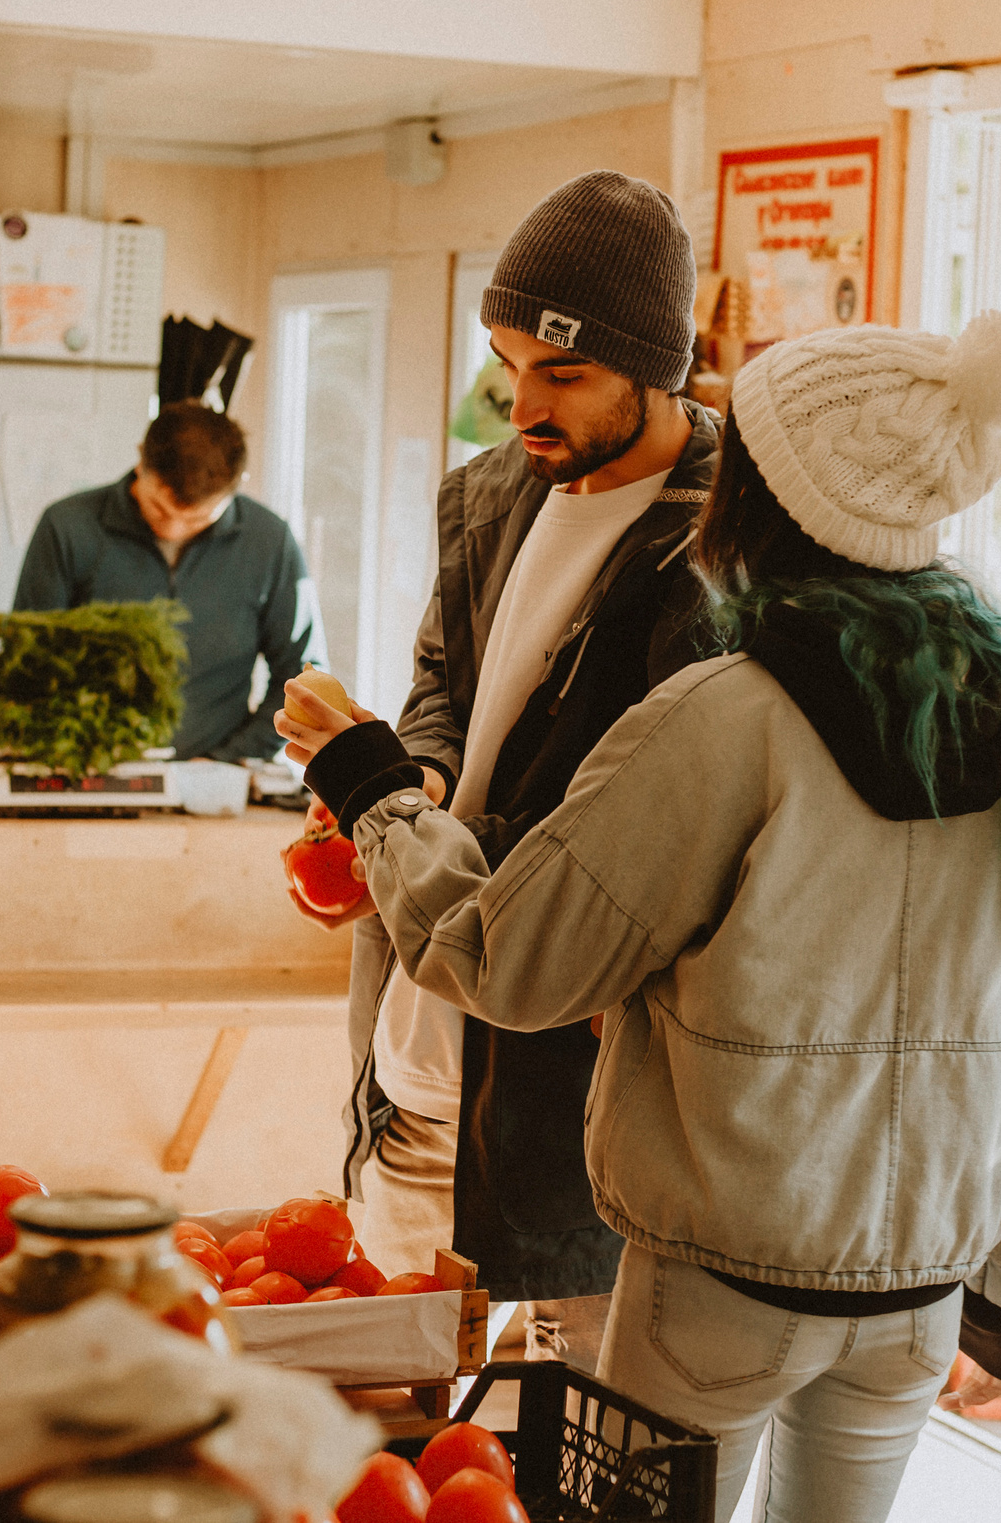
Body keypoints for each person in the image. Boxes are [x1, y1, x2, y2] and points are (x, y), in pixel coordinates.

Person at [280, 312, 1001, 1523]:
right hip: (923, 1297)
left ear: (765, 502)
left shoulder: (725, 716)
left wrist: (369, 787)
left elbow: (510, 960)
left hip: (718, 1292)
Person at [294, 170, 722, 1368]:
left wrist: (377, 792)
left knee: (570, 1435)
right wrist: (414, 778)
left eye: (562, 374)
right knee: (394, 1413)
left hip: (564, 1091)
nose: (519, 403)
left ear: (656, 366)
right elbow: (444, 680)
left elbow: (640, 817)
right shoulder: (488, 494)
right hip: (413, 1049)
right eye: (506, 361)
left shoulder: (718, 548)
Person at [13, 401, 320, 764]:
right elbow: (28, 662)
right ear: (141, 462)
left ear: (236, 489)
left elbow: (302, 680)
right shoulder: (67, 527)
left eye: (197, 520)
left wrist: (230, 759)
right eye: (159, 509)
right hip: (86, 770)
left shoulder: (270, 541)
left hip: (216, 779)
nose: (172, 528)